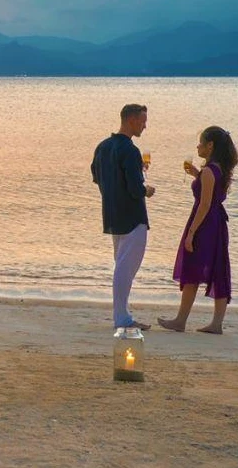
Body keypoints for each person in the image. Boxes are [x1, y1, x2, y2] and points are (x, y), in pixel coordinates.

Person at [158, 126, 238, 334]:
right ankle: (215, 324)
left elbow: (204, 204)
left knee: (192, 268)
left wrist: (191, 233)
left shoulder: (210, 171)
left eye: (201, 142)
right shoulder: (216, 169)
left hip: (205, 224)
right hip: (216, 223)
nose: (198, 146)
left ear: (210, 146)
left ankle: (181, 320)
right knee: (218, 268)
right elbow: (211, 193)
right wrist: (197, 174)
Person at [91, 104, 156, 330]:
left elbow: (96, 176)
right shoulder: (129, 150)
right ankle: (121, 317)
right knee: (126, 267)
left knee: (122, 264)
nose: (145, 125)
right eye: (142, 121)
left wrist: (136, 172)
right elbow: (135, 189)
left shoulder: (103, 147)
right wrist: (146, 190)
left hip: (111, 213)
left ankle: (122, 313)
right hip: (132, 215)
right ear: (130, 120)